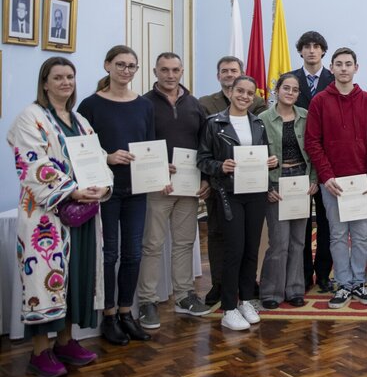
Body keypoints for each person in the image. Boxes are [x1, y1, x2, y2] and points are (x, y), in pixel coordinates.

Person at [7, 58, 109, 377]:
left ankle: (66, 342)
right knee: (46, 280)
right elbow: (33, 164)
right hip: (45, 218)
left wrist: (101, 183)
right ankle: (40, 352)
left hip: (83, 215)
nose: (66, 82)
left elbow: (97, 157)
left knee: (75, 277)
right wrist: (74, 191)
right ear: (45, 83)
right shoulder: (30, 118)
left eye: (70, 77)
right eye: (58, 77)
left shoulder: (79, 121)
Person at [77, 45, 154, 345]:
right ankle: (108, 316)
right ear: (107, 65)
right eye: (120, 65)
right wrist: (107, 157)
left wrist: (159, 168)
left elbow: (149, 144)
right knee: (109, 255)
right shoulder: (90, 105)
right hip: (105, 190)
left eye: (132, 66)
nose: (126, 71)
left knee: (133, 253)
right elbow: (81, 151)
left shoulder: (144, 105)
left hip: (137, 189)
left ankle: (126, 313)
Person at [136, 53, 212, 331]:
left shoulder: (195, 105)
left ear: (182, 71)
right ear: (155, 71)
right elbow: (139, 145)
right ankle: (147, 301)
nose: (170, 75)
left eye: (175, 70)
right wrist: (155, 173)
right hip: (157, 186)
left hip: (189, 187)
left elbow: (205, 145)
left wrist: (205, 179)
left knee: (184, 243)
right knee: (153, 244)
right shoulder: (143, 104)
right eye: (164, 70)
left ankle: (184, 296)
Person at [197, 76, 277, 331]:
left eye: (249, 92)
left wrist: (269, 163)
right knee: (234, 250)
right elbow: (202, 159)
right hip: (228, 193)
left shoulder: (258, 123)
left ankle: (245, 300)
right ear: (230, 92)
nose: (244, 96)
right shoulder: (214, 123)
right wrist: (221, 166)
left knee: (251, 248)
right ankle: (228, 307)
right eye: (240, 91)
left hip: (255, 192)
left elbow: (261, 154)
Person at [305, 47, 367, 309]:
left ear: (356, 68)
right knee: (338, 235)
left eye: (348, 64)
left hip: (362, 183)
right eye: (338, 64)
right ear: (332, 68)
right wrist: (326, 176)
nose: (343, 69)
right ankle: (342, 284)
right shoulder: (319, 101)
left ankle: (359, 283)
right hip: (333, 183)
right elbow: (313, 142)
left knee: (360, 236)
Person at [258, 73, 317, 309]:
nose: (290, 93)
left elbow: (314, 150)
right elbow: (256, 156)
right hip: (276, 182)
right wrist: (266, 187)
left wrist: (313, 179)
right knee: (279, 242)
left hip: (301, 182)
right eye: (286, 88)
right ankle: (271, 291)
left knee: (298, 241)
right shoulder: (262, 119)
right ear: (277, 90)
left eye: (294, 90)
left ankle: (294, 289)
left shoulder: (306, 116)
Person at [287, 31, 335, 294]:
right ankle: (303, 274)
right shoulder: (291, 81)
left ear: (323, 51)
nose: (312, 51)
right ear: (301, 51)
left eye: (317, 46)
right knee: (301, 221)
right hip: (297, 163)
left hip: (327, 164)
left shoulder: (333, 79)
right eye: (307, 46)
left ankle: (324, 274)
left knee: (327, 222)